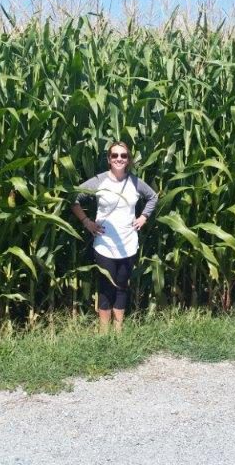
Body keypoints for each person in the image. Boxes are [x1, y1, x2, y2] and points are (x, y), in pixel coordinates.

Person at [71, 141, 158, 333]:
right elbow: (74, 198)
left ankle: (118, 331)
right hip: (105, 244)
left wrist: (144, 216)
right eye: (115, 156)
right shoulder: (98, 181)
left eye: (124, 156)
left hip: (128, 244)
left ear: (129, 160)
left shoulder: (135, 182)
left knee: (122, 286)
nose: (119, 159)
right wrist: (86, 221)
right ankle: (103, 332)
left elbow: (153, 197)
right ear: (109, 159)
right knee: (105, 286)